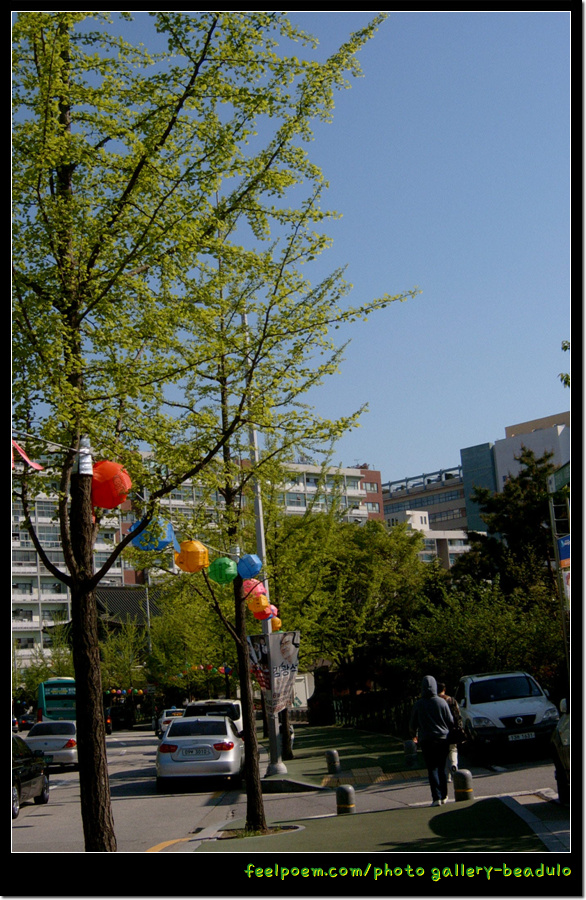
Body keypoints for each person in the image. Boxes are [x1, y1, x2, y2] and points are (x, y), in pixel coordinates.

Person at [409, 675, 454, 806]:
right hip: (442, 739)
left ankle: (436, 798)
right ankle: (444, 795)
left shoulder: (419, 704)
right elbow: (450, 721)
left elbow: (412, 724)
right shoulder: (441, 702)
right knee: (441, 767)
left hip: (426, 740)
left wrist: (414, 735)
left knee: (432, 768)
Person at [437, 682, 462, 781]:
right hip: (452, 730)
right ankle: (454, 765)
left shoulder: (435, 701)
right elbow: (458, 715)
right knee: (453, 749)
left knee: (443, 753)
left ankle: (447, 776)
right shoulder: (451, 700)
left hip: (440, 730)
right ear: (444, 689)